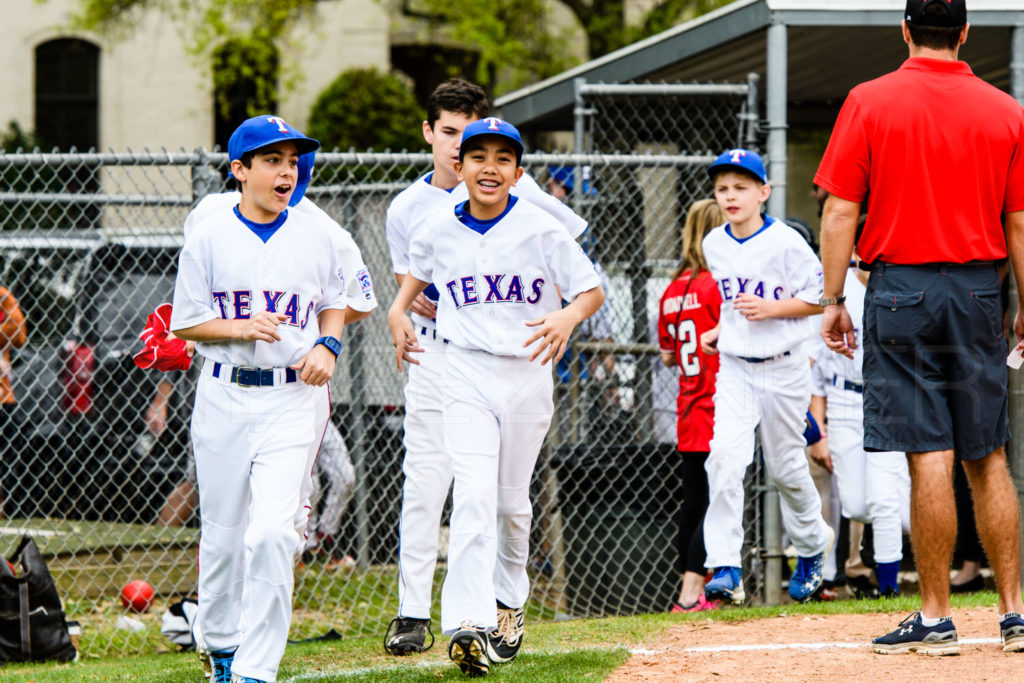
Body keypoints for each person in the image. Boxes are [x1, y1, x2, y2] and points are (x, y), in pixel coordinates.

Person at [815, 0, 1024, 654]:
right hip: (977, 288)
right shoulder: (1006, 110)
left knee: (928, 452)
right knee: (987, 453)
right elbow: (1020, 223)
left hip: (900, 288)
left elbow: (839, 210)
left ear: (905, 29)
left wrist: (831, 298)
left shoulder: (869, 100)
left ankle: (935, 618)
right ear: (965, 32)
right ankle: (1016, 612)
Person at [388, 117, 604, 677]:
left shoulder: (540, 226)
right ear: (458, 166)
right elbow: (416, 275)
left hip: (527, 373)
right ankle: (469, 622)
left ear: (517, 171)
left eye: (502, 158)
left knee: (511, 504)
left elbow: (591, 289)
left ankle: (510, 605)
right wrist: (397, 309)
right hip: (463, 370)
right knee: (475, 495)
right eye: (477, 156)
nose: (490, 167)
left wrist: (567, 316)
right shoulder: (437, 226)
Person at [170, 114, 376, 683]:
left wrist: (328, 343)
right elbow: (186, 322)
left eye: (293, 161)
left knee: (272, 534)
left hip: (292, 399)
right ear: (239, 170)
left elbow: (342, 297)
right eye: (271, 161)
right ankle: (221, 649)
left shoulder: (319, 232)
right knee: (225, 537)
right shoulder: (209, 233)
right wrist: (237, 326)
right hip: (223, 396)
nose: (287, 172)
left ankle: (257, 668)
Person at [699, 148, 833, 605]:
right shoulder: (714, 243)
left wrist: (773, 309)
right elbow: (733, 302)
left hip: (785, 366)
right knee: (723, 458)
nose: (730, 196)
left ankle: (814, 547)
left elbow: (821, 300)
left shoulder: (786, 242)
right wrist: (723, 329)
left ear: (763, 192)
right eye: (722, 189)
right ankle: (726, 565)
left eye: (741, 187)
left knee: (787, 470)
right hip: (736, 367)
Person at [808, 251, 910, 598]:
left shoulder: (901, 287)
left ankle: (889, 585)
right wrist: (818, 429)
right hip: (845, 399)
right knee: (857, 505)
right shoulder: (839, 289)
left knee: (884, 502)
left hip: (890, 397)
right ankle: (897, 502)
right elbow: (818, 372)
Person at [657, 198, 723, 613]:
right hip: (716, 403)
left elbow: (668, 355)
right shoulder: (715, 284)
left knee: (695, 501)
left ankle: (693, 590)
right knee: (712, 502)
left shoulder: (674, 287)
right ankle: (690, 593)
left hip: (688, 402)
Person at [0, 286, 27, 518]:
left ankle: (8, 512)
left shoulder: (2, 296)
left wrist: (5, 299)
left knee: (9, 458)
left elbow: (18, 334)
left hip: (2, 398)